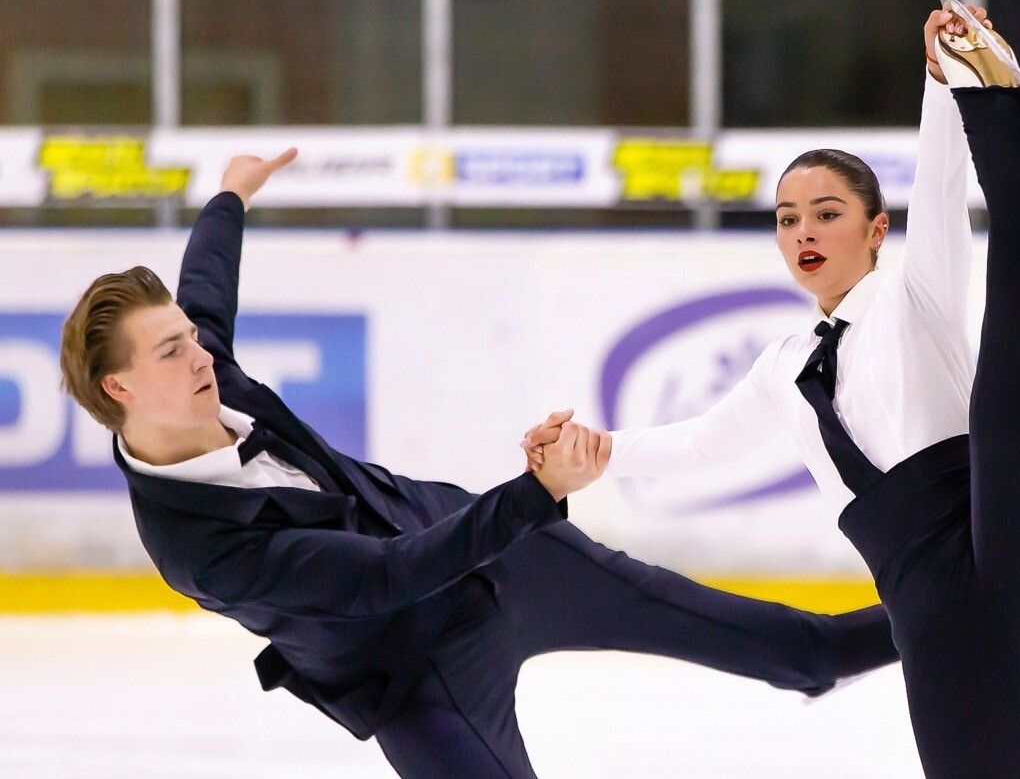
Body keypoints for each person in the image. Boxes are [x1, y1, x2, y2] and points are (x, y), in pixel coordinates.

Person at [58, 151, 899, 777]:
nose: (200, 354)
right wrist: (536, 492)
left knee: (800, 650)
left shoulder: (212, 372)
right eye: (172, 351)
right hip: (410, 670)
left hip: (495, 553)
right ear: (120, 386)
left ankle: (960, 605)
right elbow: (388, 577)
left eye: (191, 338)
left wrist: (231, 191)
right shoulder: (198, 546)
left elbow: (205, 287)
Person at [526, 0, 1020, 778]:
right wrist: (595, 453)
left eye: (826, 214)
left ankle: (1002, 108)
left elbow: (936, 190)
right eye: (788, 218)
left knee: (1010, 369)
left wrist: (940, 83)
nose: (803, 232)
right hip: (938, 611)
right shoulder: (784, 368)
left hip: (1016, 535)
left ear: (874, 232)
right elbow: (699, 442)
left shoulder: (916, 297)